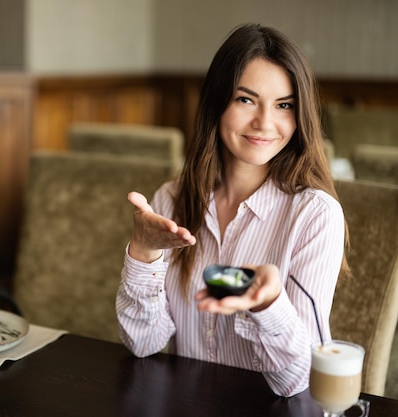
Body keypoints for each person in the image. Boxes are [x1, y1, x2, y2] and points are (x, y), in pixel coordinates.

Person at [116, 23, 349, 398]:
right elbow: (143, 343)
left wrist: (269, 306)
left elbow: (297, 382)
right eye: (246, 99)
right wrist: (143, 252)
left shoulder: (316, 215)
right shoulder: (171, 199)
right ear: (217, 102)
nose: (265, 123)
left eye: (284, 105)